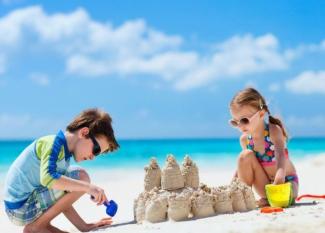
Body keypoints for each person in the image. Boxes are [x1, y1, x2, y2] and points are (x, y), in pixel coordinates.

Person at [4, 108, 119, 233]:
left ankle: (41, 225)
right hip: (21, 207)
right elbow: (48, 178)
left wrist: (83, 226)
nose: (92, 157)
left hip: (25, 206)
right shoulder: (53, 144)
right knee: (81, 176)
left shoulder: (64, 155)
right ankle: (37, 227)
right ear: (84, 133)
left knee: (76, 177)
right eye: (96, 150)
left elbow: (61, 199)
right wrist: (88, 187)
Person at [229, 87, 298, 207]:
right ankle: (242, 197)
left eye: (244, 120)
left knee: (281, 200)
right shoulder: (245, 140)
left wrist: (280, 176)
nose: (240, 126)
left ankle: (270, 200)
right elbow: (242, 166)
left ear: (261, 114)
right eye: (235, 122)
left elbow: (281, 155)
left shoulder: (273, 131)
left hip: (286, 181)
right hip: (265, 185)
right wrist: (232, 185)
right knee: (244, 156)